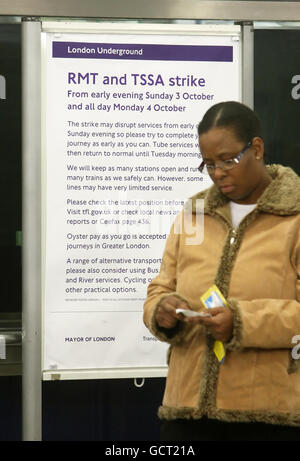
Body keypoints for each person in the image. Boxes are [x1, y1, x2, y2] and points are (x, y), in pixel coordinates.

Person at [143, 101, 300, 441]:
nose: (218, 173)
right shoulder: (193, 214)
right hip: (187, 414)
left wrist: (241, 322)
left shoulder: (295, 216)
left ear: (257, 149)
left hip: (267, 416)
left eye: (228, 160)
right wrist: (163, 309)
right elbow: (159, 288)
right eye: (209, 164)